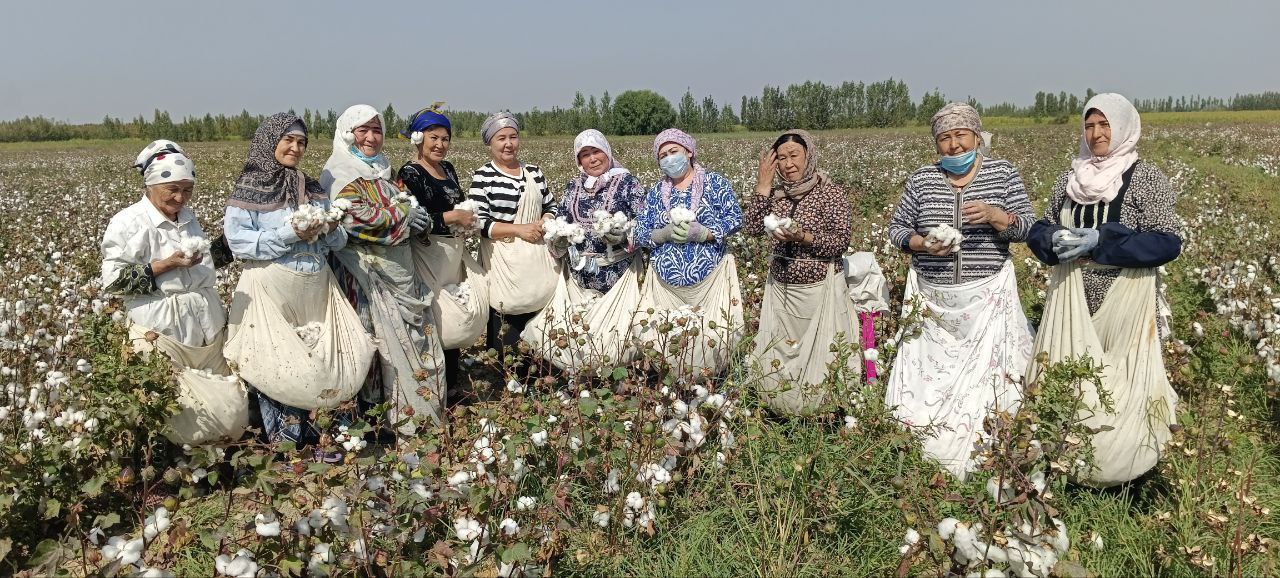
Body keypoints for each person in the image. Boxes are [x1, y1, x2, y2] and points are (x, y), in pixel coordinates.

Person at [1026, 93, 1180, 486]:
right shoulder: (1070, 178)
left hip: (1125, 294)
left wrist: (1102, 241)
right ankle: (1073, 465)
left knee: (1124, 383)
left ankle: (1126, 469)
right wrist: (1053, 239)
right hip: (1072, 294)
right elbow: (1041, 226)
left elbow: (1167, 241)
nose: (1096, 134)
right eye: (1090, 126)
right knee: (1073, 377)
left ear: (1124, 127)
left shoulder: (1146, 178)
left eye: (1105, 125)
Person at [885, 103, 1036, 479]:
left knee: (993, 389)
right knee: (927, 388)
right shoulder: (922, 180)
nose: (953, 146)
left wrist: (998, 217)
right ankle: (923, 448)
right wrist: (923, 244)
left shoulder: (1002, 174)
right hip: (933, 303)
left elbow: (1028, 227)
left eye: (960, 136)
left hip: (987, 300)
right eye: (944, 138)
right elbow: (897, 230)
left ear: (976, 136)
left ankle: (991, 452)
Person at [222, 113, 375, 451]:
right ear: (269, 142)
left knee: (322, 354)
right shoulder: (249, 187)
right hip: (271, 288)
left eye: (301, 142)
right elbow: (238, 242)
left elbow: (337, 243)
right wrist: (289, 233)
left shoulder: (313, 188)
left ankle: (330, 437)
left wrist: (332, 230)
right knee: (278, 361)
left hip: (315, 286)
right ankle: (289, 442)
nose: (295, 148)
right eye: (288, 140)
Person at [101, 139, 247, 445]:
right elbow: (114, 282)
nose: (180, 197)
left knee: (221, 396)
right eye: (173, 189)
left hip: (205, 323)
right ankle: (172, 462)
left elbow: (202, 264)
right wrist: (164, 265)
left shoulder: (188, 218)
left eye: (187, 189)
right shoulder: (128, 223)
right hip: (160, 328)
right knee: (170, 402)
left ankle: (216, 458)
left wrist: (239, 239)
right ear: (151, 185)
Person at [323, 104, 445, 432]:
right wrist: (402, 218)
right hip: (360, 273)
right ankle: (367, 422)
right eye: (364, 130)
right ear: (348, 133)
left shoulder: (382, 168)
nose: (372, 137)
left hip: (397, 268)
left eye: (377, 131)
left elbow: (405, 203)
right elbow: (349, 220)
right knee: (370, 342)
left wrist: (414, 216)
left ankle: (400, 414)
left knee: (401, 343)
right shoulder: (338, 172)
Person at [743, 130, 858, 414]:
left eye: (794, 156)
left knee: (823, 354)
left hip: (819, 291)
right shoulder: (775, 194)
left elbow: (840, 241)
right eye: (781, 158)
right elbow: (752, 228)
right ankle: (781, 404)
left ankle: (821, 410)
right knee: (782, 352)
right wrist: (763, 185)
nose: (787, 164)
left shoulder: (829, 193)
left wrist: (802, 236)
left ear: (809, 157)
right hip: (781, 291)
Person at [520, 129, 646, 373]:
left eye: (596, 151)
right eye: (585, 155)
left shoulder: (628, 183)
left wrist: (623, 235)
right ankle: (587, 377)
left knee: (617, 331)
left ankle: (618, 377)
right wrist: (558, 237)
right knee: (582, 328)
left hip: (618, 274)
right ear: (579, 161)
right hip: (580, 276)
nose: (592, 159)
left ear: (607, 152)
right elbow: (562, 219)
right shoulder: (573, 187)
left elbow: (645, 222)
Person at [632, 129, 744, 375]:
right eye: (663, 155)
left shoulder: (715, 183)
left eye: (674, 151)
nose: (669, 158)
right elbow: (639, 231)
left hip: (710, 283)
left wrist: (706, 233)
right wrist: (661, 235)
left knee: (713, 336)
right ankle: (674, 384)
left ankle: (711, 382)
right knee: (666, 341)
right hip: (666, 288)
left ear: (689, 152)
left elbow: (735, 218)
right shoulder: (654, 193)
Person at [397, 104, 487, 404]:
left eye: (445, 138)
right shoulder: (409, 173)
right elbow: (412, 221)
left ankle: (451, 386)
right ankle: (432, 393)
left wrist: (467, 219)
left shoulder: (447, 169)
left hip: (452, 253)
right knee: (433, 319)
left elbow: (458, 204)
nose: (439, 145)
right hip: (427, 255)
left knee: (452, 315)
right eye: (433, 137)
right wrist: (453, 218)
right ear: (418, 139)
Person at [467, 112, 558, 376]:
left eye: (513, 137)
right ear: (490, 143)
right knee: (509, 320)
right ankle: (510, 380)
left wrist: (545, 220)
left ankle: (540, 375)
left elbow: (551, 205)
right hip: (505, 264)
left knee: (539, 315)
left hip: (537, 260)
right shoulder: (484, 176)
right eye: (501, 138)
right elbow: (477, 222)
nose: (508, 144)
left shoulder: (534, 172)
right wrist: (519, 229)